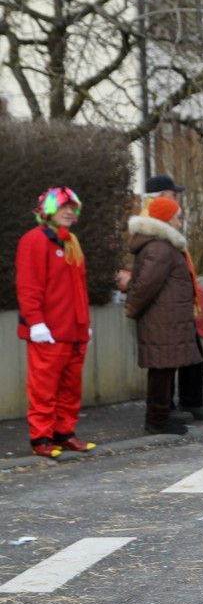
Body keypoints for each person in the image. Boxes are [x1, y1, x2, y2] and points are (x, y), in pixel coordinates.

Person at [15, 187, 94, 458]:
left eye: (72, 207)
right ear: (49, 210)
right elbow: (28, 286)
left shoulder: (71, 241)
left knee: (70, 388)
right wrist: (36, 323)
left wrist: (85, 323)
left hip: (74, 331)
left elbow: (79, 288)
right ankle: (41, 438)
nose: (69, 212)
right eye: (63, 207)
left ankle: (64, 433)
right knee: (44, 388)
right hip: (48, 332)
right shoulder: (34, 241)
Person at [125, 198, 203, 435]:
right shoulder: (160, 247)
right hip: (162, 319)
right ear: (167, 219)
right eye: (178, 217)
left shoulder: (162, 245)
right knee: (162, 369)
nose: (180, 221)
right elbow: (147, 284)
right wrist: (132, 308)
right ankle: (157, 419)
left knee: (164, 368)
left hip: (166, 318)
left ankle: (161, 416)